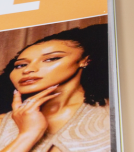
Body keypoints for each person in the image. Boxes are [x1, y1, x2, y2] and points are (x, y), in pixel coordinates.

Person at [0, 24, 110, 152]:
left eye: (51, 59)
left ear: (85, 60)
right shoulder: (2, 123)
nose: (28, 70)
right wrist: (28, 134)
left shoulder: (117, 114)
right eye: (20, 65)